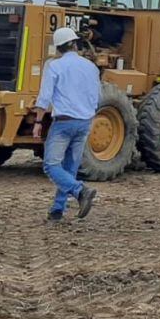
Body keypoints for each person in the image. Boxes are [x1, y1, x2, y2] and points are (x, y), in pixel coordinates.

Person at [33, 27, 101, 221]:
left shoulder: (54, 66)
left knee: (51, 165)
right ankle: (57, 210)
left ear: (58, 48)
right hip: (84, 122)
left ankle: (80, 191)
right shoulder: (91, 67)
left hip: (63, 123)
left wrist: (38, 121)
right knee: (70, 167)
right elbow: (97, 96)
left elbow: (44, 97)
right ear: (74, 44)